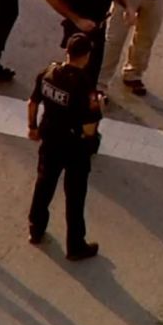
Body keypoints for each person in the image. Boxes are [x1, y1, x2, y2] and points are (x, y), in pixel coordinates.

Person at [26, 33, 104, 261]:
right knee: (75, 195)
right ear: (87, 56)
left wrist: (32, 127)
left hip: (50, 136)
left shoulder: (48, 74)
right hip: (74, 146)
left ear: (67, 52)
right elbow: (89, 126)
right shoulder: (84, 85)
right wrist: (99, 109)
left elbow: (32, 103)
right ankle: (75, 245)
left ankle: (36, 229)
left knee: (44, 184)